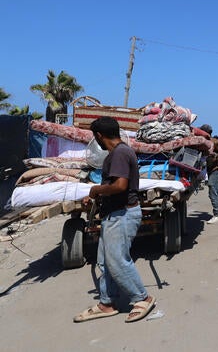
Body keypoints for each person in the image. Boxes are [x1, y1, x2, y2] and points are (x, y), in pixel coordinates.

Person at [74, 117, 155, 323]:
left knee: (117, 259)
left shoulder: (119, 153)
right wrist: (97, 195)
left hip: (123, 214)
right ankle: (106, 303)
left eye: (95, 137)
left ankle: (142, 298)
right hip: (114, 214)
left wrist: (95, 190)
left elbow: (120, 186)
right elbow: (113, 186)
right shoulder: (118, 153)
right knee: (105, 261)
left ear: (99, 136)